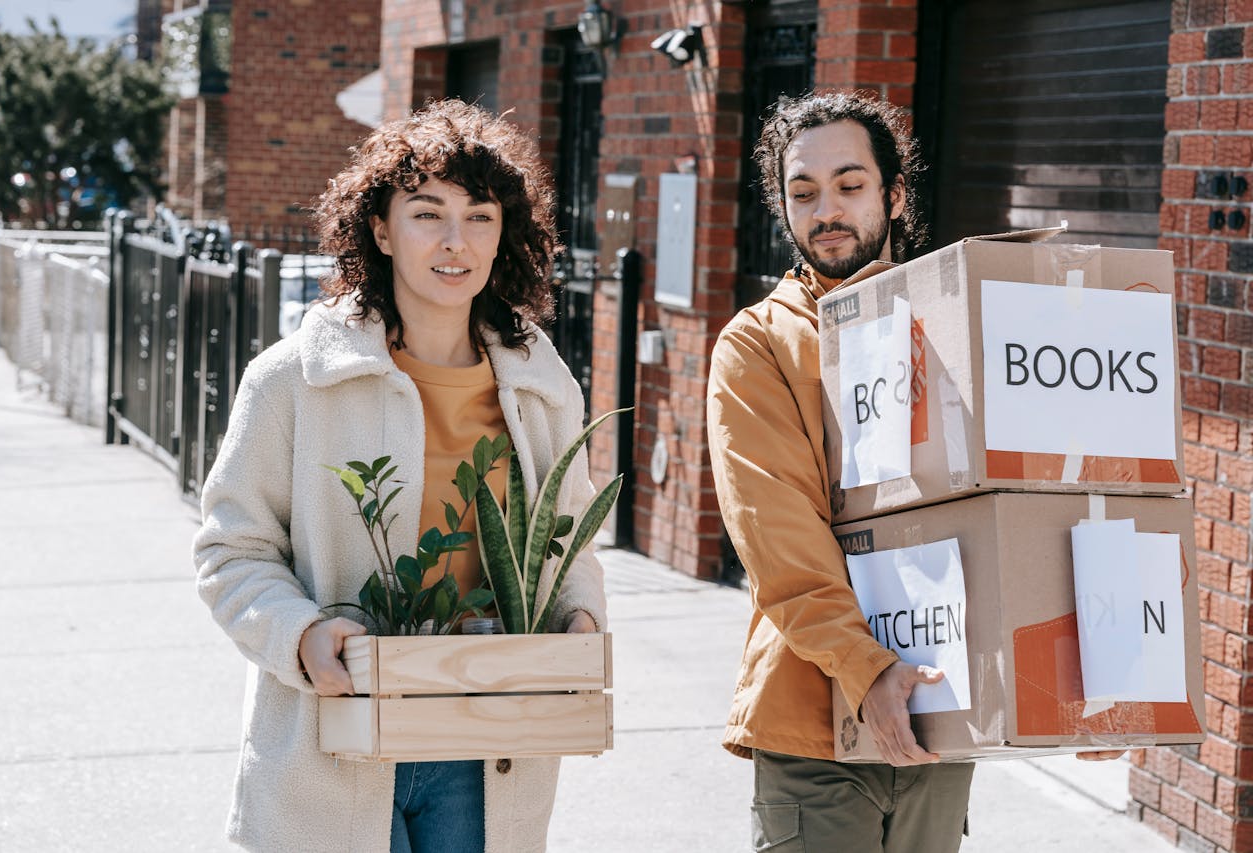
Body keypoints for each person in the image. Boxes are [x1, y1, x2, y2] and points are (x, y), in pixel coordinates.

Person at [706, 91, 1123, 853]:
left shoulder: (950, 326)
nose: (826, 209)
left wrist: (1091, 684)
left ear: (894, 194)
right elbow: (780, 538)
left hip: (940, 713)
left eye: (849, 184)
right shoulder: (759, 343)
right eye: (803, 193)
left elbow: (1037, 499)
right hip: (814, 724)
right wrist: (867, 670)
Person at [193, 99, 606, 853]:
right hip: (330, 739)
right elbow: (231, 551)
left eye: (480, 216)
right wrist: (304, 634)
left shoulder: (542, 385)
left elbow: (570, 542)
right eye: (427, 213)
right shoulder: (294, 380)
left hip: (486, 744)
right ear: (380, 229)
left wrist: (578, 619)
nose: (457, 242)